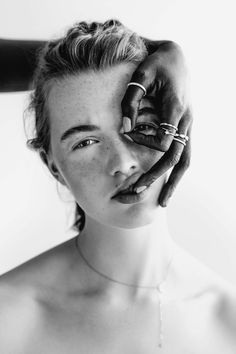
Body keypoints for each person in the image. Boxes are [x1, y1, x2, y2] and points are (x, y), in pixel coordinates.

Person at [0, 19, 235, 353]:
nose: (122, 162)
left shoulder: (227, 321)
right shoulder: (7, 319)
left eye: (141, 124)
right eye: (86, 142)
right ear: (53, 166)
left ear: (175, 126)